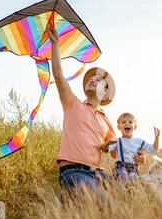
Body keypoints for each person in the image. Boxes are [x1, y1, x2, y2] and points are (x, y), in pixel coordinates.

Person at [47, 26, 145, 192]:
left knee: (129, 191)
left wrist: (138, 157)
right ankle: (75, 197)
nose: (92, 80)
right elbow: (58, 74)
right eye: (90, 79)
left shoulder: (106, 122)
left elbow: (120, 151)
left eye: (98, 80)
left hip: (97, 174)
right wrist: (55, 44)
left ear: (105, 91)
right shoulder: (72, 103)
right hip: (73, 172)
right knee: (104, 203)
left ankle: (69, 202)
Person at [100, 112, 160, 182]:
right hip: (120, 168)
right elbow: (105, 149)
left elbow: (153, 149)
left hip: (134, 169)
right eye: (123, 122)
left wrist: (157, 138)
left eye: (130, 122)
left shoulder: (139, 141)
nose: (127, 124)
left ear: (135, 127)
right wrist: (108, 143)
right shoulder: (117, 141)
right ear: (118, 127)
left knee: (133, 182)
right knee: (123, 178)